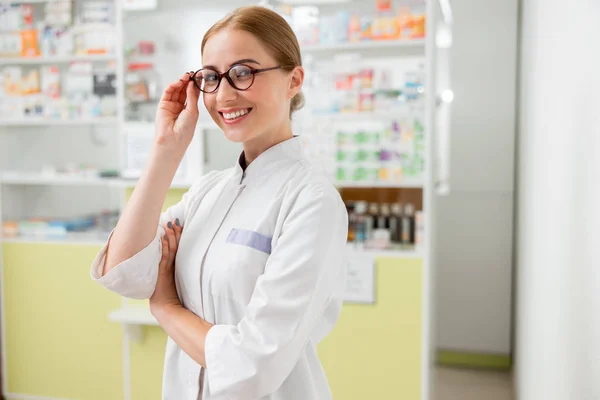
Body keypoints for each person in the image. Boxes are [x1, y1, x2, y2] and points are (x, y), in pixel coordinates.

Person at [90, 5, 348, 400]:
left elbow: (251, 368)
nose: (224, 94)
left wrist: (166, 308)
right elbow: (123, 271)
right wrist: (165, 150)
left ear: (293, 79)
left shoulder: (311, 202)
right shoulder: (207, 193)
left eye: (243, 72)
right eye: (211, 77)